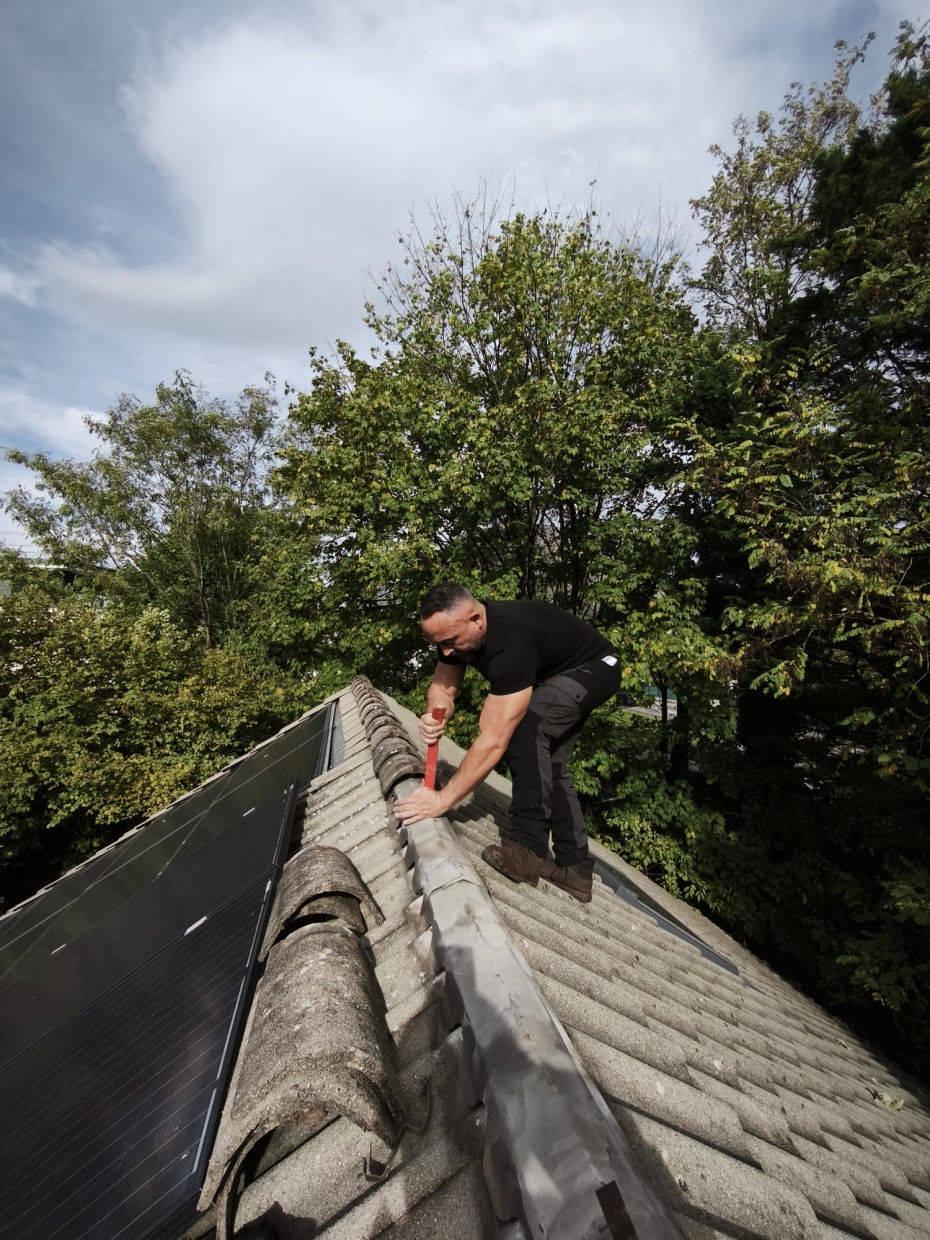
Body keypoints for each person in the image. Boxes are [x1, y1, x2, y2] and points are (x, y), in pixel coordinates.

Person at [393, 584, 620, 903]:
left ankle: (528, 850)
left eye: (449, 642)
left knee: (526, 729)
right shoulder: (456, 637)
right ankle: (576, 869)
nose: (445, 652)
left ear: (476, 620)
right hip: (557, 672)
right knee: (548, 760)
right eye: (437, 643)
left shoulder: (511, 642)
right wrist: (434, 716)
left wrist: (443, 800)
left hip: (594, 668)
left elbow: (494, 740)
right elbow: (442, 689)